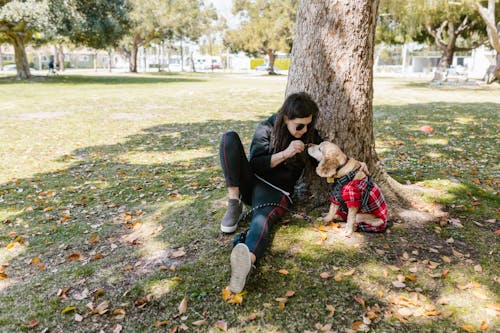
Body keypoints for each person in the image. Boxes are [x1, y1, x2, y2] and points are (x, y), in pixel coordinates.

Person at [219, 92, 320, 293]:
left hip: (276, 192)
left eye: (308, 124)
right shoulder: (266, 128)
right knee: (229, 138)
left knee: (261, 222)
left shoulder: (309, 134)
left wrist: (353, 164)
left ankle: (246, 260)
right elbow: (256, 164)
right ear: (285, 118)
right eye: (299, 125)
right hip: (253, 181)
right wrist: (286, 153)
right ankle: (233, 203)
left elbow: (324, 154)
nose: (305, 129)